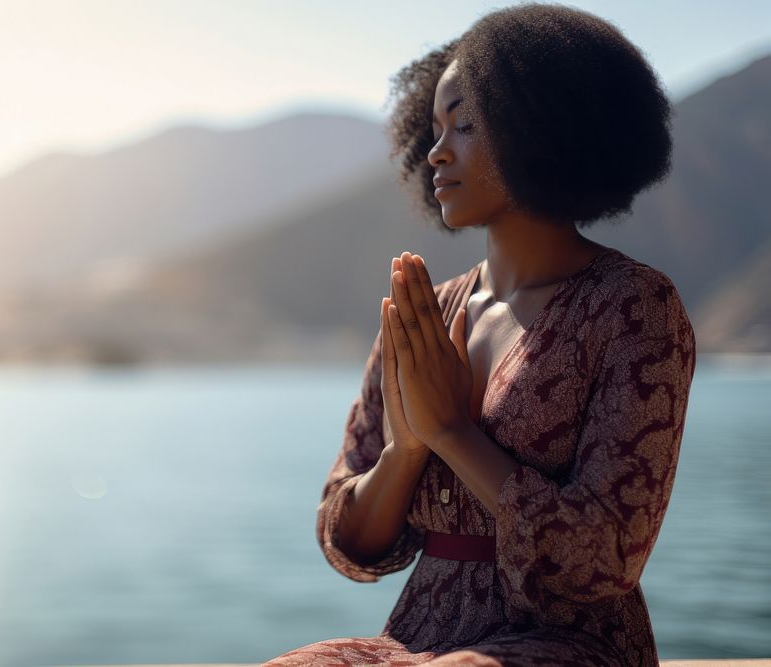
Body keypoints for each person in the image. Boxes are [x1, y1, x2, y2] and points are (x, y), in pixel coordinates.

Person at [263, 3, 696, 666]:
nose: (437, 151)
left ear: (543, 129)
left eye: (464, 124)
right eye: (433, 128)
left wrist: (451, 434)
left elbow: (603, 561)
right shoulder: (422, 313)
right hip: (417, 634)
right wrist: (405, 450)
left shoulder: (635, 308)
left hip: (573, 640)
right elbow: (347, 542)